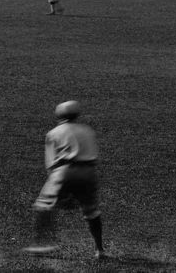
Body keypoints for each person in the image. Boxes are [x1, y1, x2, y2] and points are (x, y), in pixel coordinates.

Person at [24, 100, 105, 259]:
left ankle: (42, 244)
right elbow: (95, 157)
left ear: (59, 115)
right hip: (88, 171)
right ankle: (99, 249)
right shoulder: (87, 130)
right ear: (76, 114)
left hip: (64, 171)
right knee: (91, 211)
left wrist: (61, 190)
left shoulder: (54, 133)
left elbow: (51, 164)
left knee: (43, 206)